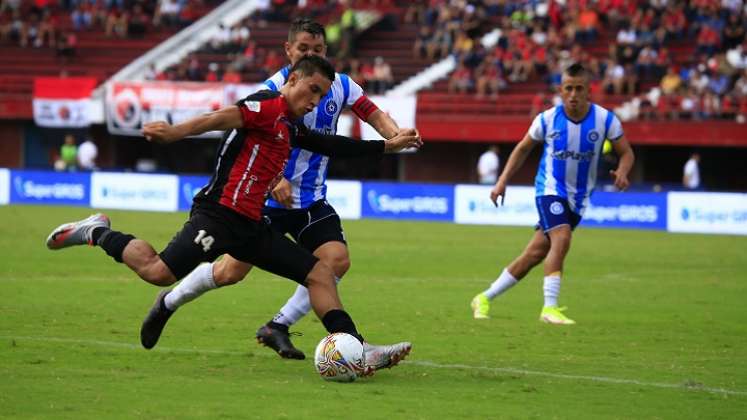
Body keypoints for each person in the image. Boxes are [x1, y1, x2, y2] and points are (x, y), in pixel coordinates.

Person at [46, 56, 419, 374]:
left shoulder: (290, 125)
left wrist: (386, 146)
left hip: (250, 225)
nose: (316, 100)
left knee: (320, 273)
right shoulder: (267, 105)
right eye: (313, 90)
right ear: (292, 80)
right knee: (157, 272)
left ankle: (354, 347)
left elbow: (329, 144)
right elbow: (221, 117)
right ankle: (96, 232)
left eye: (322, 94)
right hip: (217, 215)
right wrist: (175, 133)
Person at [157, 18, 404, 362]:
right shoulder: (272, 91)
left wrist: (395, 136)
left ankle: (282, 326)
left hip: (311, 199)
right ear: (289, 50)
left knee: (335, 261)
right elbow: (240, 138)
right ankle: (170, 300)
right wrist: (275, 181)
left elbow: (373, 113)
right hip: (268, 201)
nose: (310, 54)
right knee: (231, 272)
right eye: (303, 49)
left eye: (317, 50)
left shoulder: (341, 85)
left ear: (325, 51)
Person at [470, 63, 635, 324]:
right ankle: (549, 307)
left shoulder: (605, 120)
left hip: (579, 199)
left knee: (534, 254)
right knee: (562, 237)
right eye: (568, 88)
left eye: (578, 89)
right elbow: (523, 149)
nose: (573, 94)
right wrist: (502, 181)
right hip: (549, 189)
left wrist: (623, 171)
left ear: (588, 91)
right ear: (560, 90)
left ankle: (484, 297)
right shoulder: (547, 119)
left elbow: (626, 152)